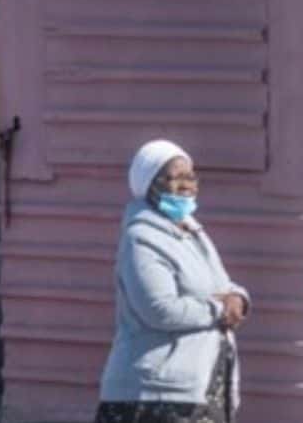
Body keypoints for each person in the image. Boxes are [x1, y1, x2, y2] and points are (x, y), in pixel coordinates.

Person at [96, 139, 250, 423]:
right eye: (175, 177)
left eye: (190, 176)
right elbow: (159, 309)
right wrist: (219, 310)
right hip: (154, 396)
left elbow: (221, 284)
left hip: (201, 387)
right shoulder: (141, 239)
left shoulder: (193, 232)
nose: (187, 185)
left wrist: (238, 299)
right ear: (149, 183)